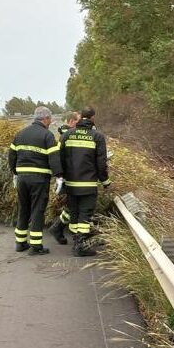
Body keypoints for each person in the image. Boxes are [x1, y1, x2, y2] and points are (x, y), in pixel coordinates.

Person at [9, 106, 63, 255]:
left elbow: (12, 155)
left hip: (22, 179)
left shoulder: (20, 134)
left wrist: (14, 172)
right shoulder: (47, 135)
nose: (50, 122)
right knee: (38, 210)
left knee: (24, 209)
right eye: (50, 119)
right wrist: (59, 176)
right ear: (45, 118)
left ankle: (20, 243)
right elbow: (54, 158)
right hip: (39, 179)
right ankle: (36, 246)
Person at [61, 106, 109, 257]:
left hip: (70, 184)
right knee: (85, 215)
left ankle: (77, 243)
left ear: (81, 117)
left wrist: (61, 178)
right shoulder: (97, 137)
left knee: (74, 214)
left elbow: (60, 159)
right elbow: (101, 163)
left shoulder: (67, 135)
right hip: (87, 184)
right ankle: (80, 246)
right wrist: (105, 181)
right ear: (93, 118)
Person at [48, 111, 81, 245]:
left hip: (71, 175)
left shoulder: (66, 133)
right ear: (72, 122)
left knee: (72, 206)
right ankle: (75, 236)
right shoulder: (66, 135)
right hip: (70, 176)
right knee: (74, 206)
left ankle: (58, 228)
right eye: (78, 122)